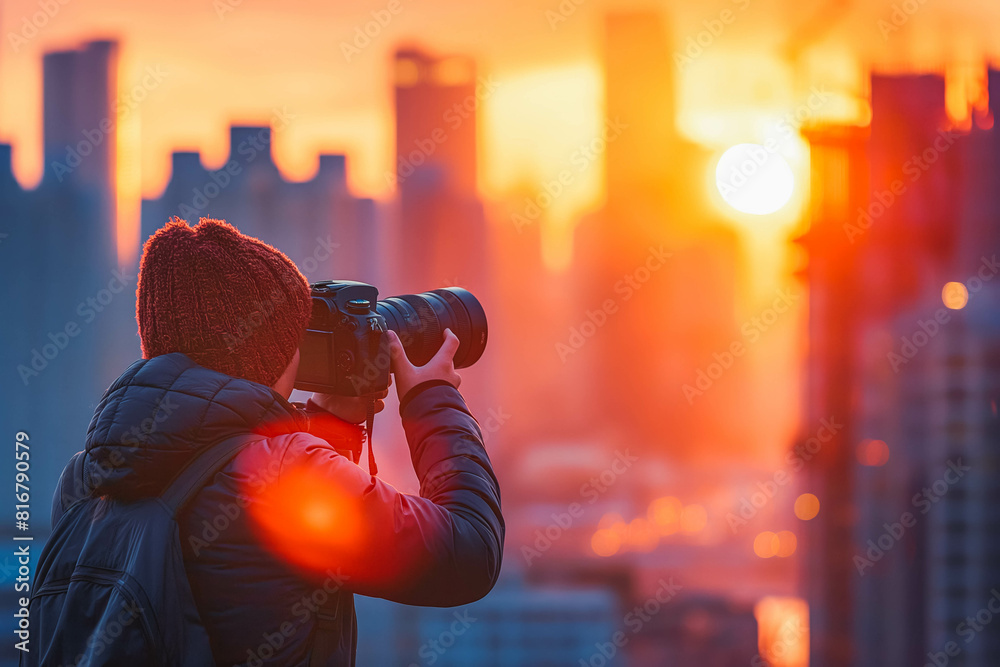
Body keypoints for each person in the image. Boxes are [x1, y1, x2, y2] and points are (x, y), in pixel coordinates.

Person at [51, 217, 504, 666]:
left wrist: (329, 428)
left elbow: (248, 559)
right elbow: (469, 554)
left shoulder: (86, 478)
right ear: (270, 347)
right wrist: (432, 398)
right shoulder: (286, 476)